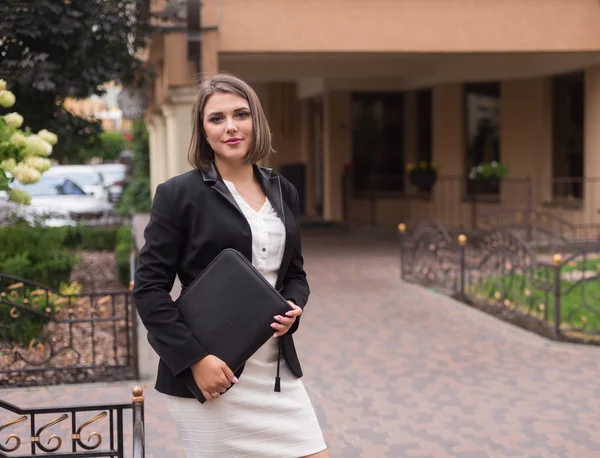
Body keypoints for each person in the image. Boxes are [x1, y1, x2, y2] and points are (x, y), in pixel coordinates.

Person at [133, 73, 328, 458]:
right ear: (203, 132)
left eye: (241, 114)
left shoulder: (282, 190)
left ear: (256, 120)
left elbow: (295, 274)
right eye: (216, 119)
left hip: (275, 371)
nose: (231, 127)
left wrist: (293, 306)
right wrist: (194, 360)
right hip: (209, 372)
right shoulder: (178, 195)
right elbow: (149, 288)